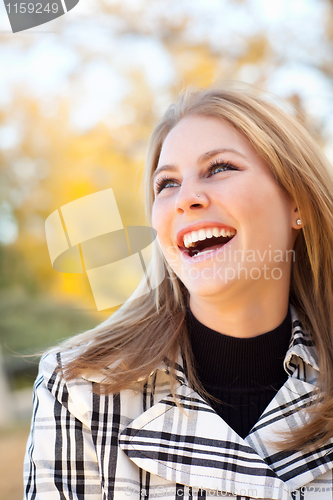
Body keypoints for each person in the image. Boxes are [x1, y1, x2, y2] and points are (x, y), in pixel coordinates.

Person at [24, 83, 333, 500]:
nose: (186, 198)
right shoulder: (79, 388)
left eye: (220, 167)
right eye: (166, 183)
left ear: (298, 203)